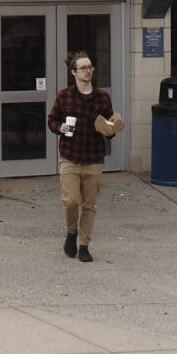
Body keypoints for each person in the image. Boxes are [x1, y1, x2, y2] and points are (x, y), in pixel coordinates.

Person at [46, 51, 121, 264]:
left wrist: (111, 129)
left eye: (90, 67)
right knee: (71, 201)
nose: (88, 71)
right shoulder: (64, 96)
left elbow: (110, 126)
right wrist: (59, 127)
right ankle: (71, 233)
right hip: (70, 157)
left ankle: (84, 245)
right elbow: (51, 120)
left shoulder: (102, 97)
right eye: (83, 68)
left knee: (89, 205)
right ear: (74, 72)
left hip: (94, 158)